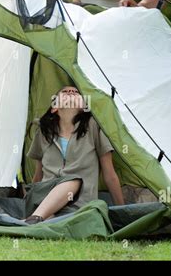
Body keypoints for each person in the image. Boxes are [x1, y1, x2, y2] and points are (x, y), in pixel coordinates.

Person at [24, 86, 125, 224]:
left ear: (84, 107)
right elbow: (38, 175)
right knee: (51, 219)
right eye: (65, 92)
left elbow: (110, 174)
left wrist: (123, 212)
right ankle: (34, 218)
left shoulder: (93, 127)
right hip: (44, 199)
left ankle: (34, 221)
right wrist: (29, 201)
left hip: (79, 203)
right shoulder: (44, 132)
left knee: (73, 180)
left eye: (76, 92)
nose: (71, 93)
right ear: (55, 107)